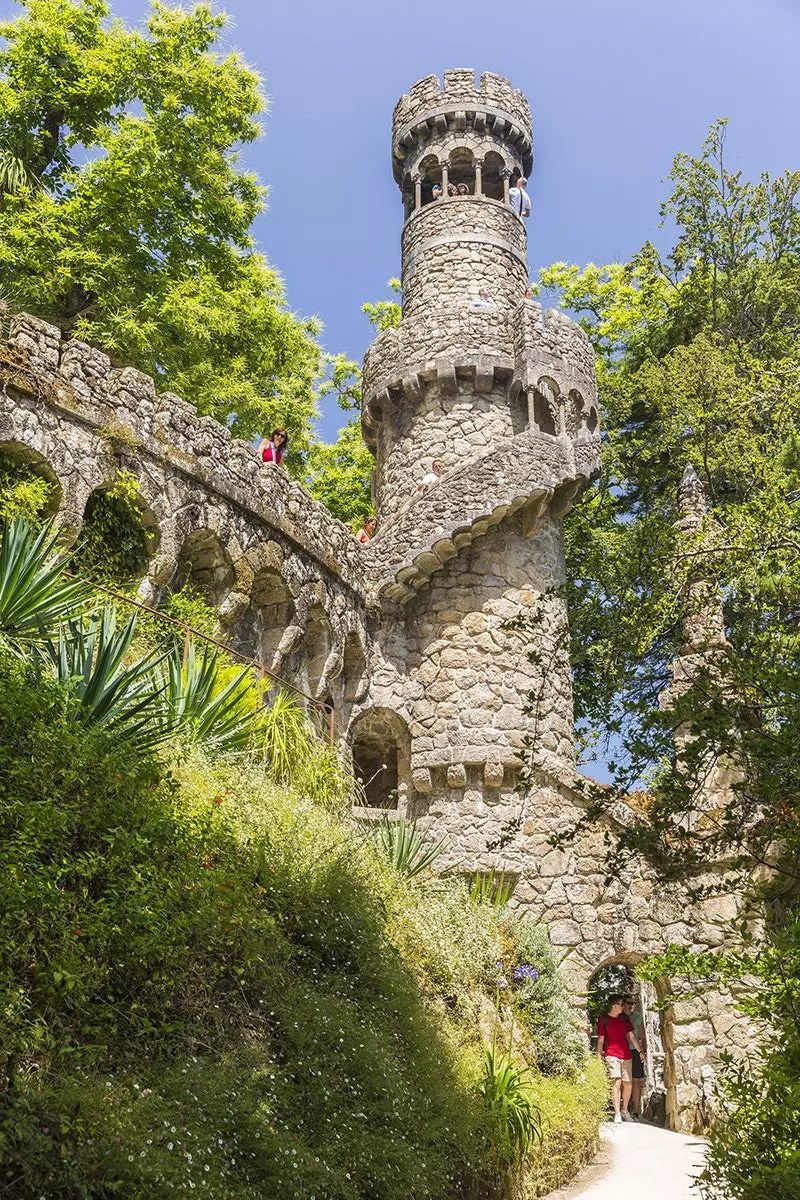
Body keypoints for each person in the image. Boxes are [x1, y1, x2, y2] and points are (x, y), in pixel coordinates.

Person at [596, 994, 646, 1124]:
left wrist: (640, 1051)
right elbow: (601, 1040)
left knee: (628, 1084)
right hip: (611, 1054)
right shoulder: (604, 1019)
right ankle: (617, 1113)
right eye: (622, 1005)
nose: (624, 1007)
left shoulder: (624, 1019)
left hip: (626, 1055)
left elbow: (632, 1036)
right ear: (615, 1006)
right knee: (616, 1082)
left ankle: (624, 1110)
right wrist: (598, 1056)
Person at [623, 995, 647, 1118]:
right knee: (626, 1081)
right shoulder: (619, 1018)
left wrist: (643, 1051)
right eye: (628, 1003)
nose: (630, 1005)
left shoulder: (637, 1017)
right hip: (623, 1050)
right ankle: (625, 1109)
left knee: (636, 1080)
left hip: (635, 1051)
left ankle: (636, 1110)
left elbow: (642, 1035)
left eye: (632, 1003)